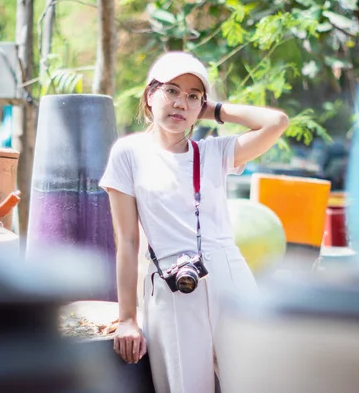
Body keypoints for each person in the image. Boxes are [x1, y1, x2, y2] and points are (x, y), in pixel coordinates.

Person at [99, 51, 289, 393]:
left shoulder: (215, 152)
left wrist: (215, 109)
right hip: (171, 284)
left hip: (228, 275)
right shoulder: (128, 153)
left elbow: (277, 123)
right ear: (149, 95)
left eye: (192, 96)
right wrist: (127, 318)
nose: (180, 104)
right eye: (171, 91)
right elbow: (127, 240)